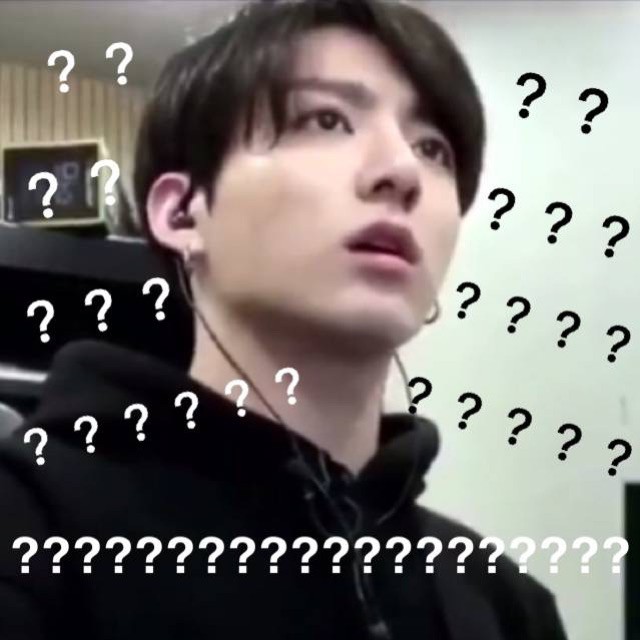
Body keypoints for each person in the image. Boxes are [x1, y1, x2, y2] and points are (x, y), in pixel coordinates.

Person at [0, 0, 569, 638]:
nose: (403, 171)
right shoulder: (28, 530)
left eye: (433, 148)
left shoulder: (503, 605)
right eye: (326, 119)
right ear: (182, 213)